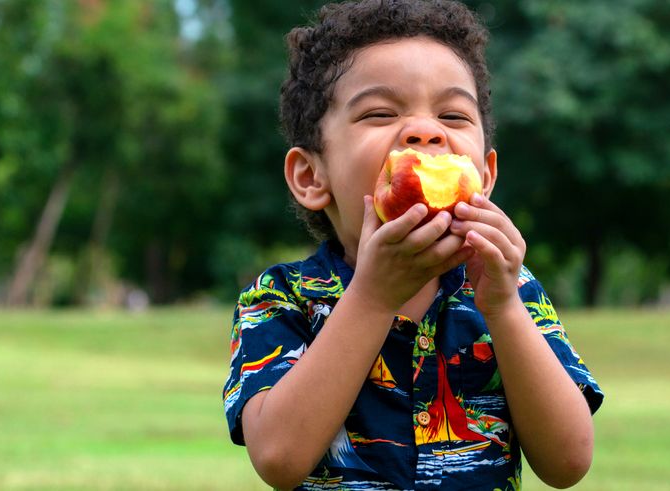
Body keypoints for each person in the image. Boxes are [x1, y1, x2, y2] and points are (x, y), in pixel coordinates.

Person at [223, 1, 604, 489]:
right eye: (380, 113)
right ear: (311, 175)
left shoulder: (511, 290)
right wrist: (373, 297)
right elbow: (278, 458)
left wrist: (505, 308)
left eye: (452, 114)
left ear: (484, 175)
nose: (426, 131)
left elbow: (568, 462)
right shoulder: (280, 298)